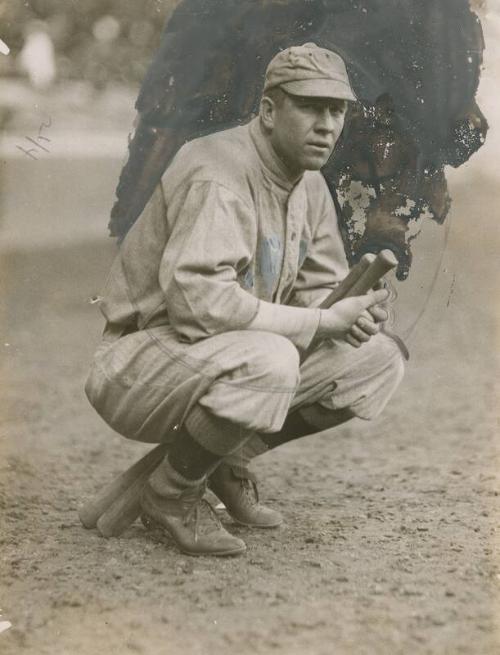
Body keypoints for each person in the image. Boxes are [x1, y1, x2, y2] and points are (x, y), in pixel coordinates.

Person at [85, 43, 405, 557]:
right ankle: (171, 494)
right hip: (141, 359)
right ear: (269, 111)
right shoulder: (220, 173)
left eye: (337, 109)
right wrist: (322, 321)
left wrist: (354, 313)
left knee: (377, 359)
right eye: (310, 106)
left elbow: (319, 297)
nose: (327, 124)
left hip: (220, 356)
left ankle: (223, 461)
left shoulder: (310, 184)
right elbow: (198, 307)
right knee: (272, 359)